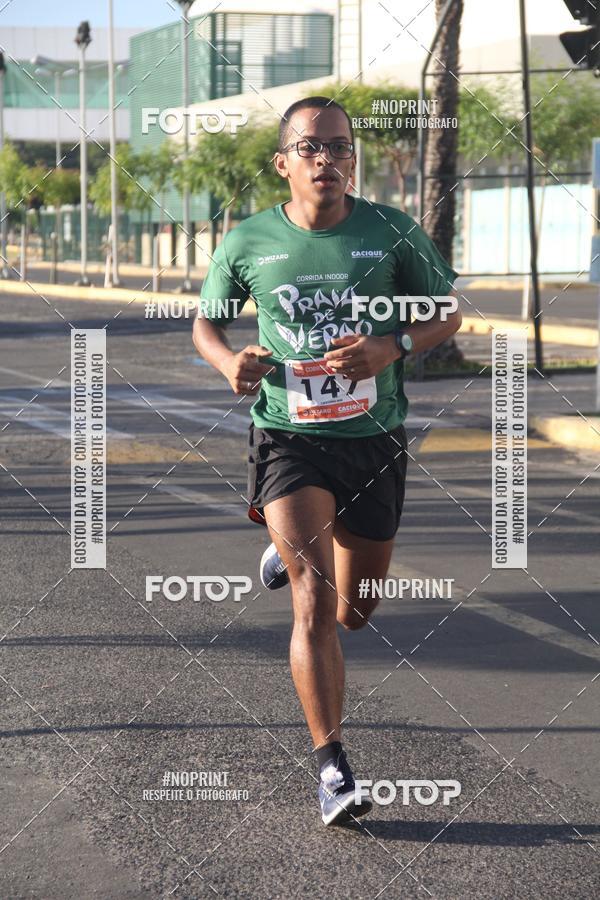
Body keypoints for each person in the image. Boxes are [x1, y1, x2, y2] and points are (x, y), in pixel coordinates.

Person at [192, 96, 462, 826]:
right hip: (289, 435)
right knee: (312, 601)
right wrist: (229, 363)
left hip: (374, 441)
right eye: (311, 148)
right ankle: (333, 767)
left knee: (355, 611)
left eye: (341, 147)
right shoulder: (248, 240)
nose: (328, 160)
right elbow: (207, 321)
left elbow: (447, 312)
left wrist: (392, 346)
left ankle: (287, 554)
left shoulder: (392, 231)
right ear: (284, 163)